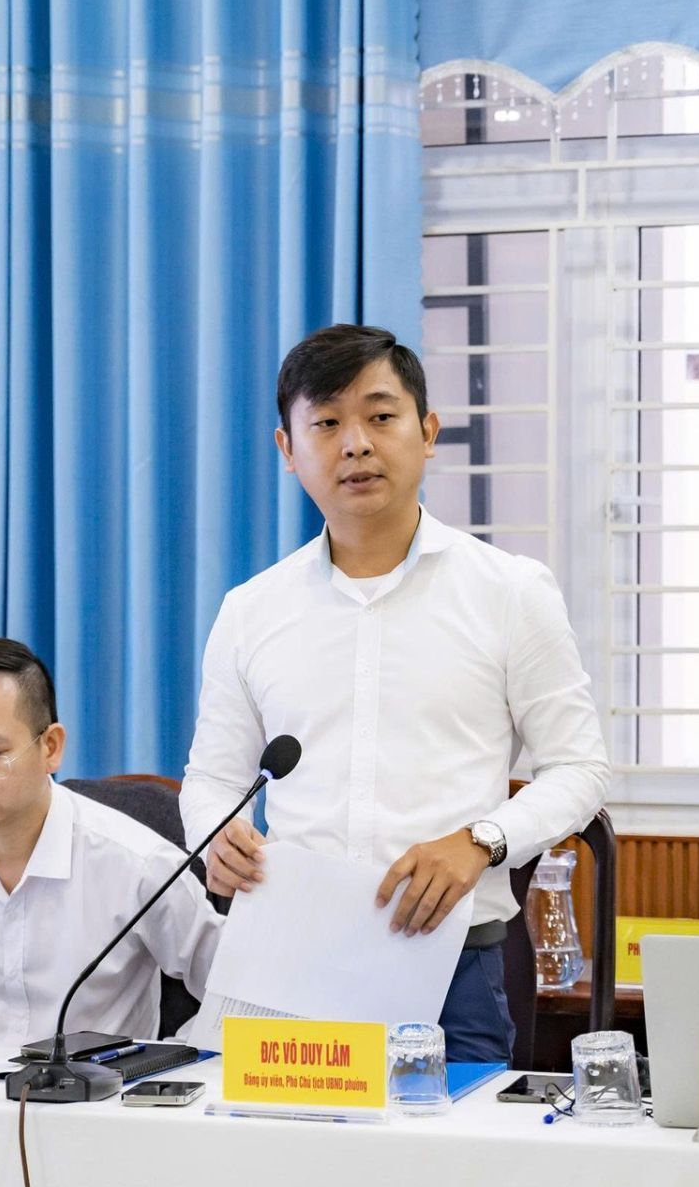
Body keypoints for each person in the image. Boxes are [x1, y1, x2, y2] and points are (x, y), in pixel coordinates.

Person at [181, 323, 610, 1061]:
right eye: (326, 423)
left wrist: (481, 842)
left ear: (428, 432)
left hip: (450, 956)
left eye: (381, 416)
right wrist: (214, 837)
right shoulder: (251, 611)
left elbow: (581, 768)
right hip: (291, 955)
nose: (355, 444)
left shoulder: (510, 592)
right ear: (288, 450)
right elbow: (213, 778)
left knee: (449, 1142)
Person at [0, 639, 222, 1045]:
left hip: (99, 1083)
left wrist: (170, 1059)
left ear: (51, 747)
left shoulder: (138, 864)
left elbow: (235, 992)